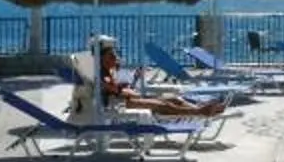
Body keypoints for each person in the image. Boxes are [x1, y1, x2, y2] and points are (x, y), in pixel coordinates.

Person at [91, 36, 226, 119]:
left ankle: (200, 108)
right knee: (163, 105)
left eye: (115, 54)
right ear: (101, 57)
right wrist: (130, 90)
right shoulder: (100, 73)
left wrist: (133, 81)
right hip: (119, 103)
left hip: (128, 98)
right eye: (112, 55)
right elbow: (115, 90)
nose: (116, 58)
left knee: (175, 99)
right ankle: (200, 112)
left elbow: (121, 87)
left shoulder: (109, 70)